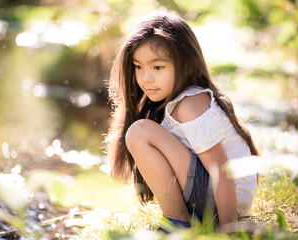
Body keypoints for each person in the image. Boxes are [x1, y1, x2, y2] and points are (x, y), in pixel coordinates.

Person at [105, 11, 259, 232]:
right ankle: (183, 221)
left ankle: (179, 223)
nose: (145, 77)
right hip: (215, 199)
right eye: (139, 66)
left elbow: (222, 171)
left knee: (140, 132)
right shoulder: (174, 102)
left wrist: (229, 231)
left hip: (226, 204)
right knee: (140, 129)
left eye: (158, 67)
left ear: (187, 66)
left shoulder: (190, 105)